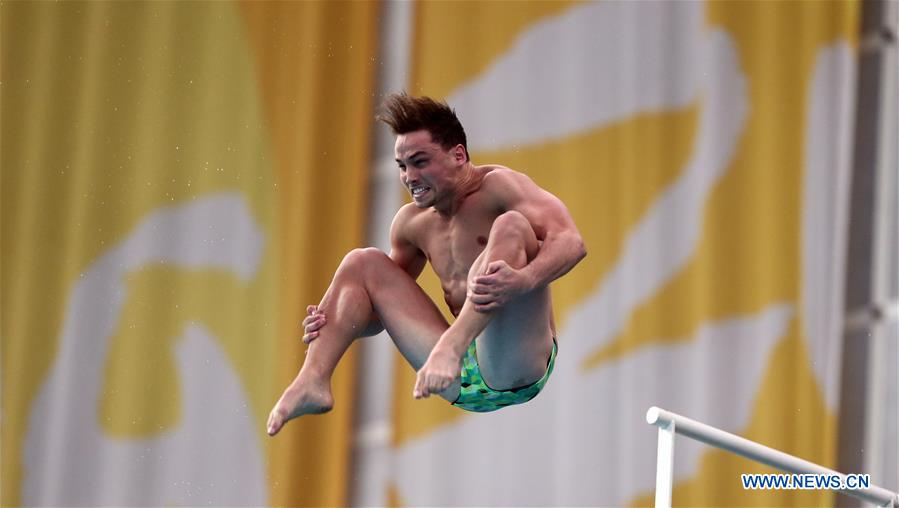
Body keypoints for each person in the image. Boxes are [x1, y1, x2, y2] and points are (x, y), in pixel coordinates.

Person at [267, 93, 586, 436]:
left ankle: (453, 344)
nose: (409, 176)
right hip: (459, 378)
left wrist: (525, 279)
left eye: (420, 162)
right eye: (402, 166)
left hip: (517, 364)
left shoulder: (499, 187)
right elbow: (377, 317)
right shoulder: (411, 224)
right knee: (362, 262)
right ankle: (312, 379)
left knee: (512, 226)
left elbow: (571, 242)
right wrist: (334, 322)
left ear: (458, 155)